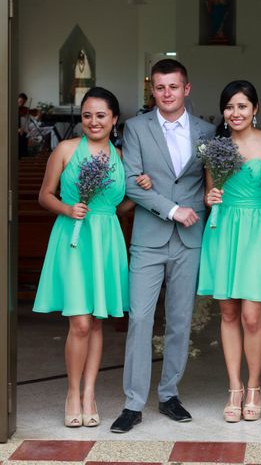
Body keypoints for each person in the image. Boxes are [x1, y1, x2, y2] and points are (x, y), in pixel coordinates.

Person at [33, 87, 149, 428]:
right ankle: (72, 392)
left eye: (101, 115)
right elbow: (44, 195)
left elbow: (123, 204)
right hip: (74, 238)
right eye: (87, 115)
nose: (93, 121)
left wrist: (138, 191)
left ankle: (89, 393)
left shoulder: (122, 156)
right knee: (80, 322)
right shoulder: (67, 150)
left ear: (114, 119)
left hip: (106, 238)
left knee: (97, 320)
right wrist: (69, 209)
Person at [110, 59, 216, 433]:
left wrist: (210, 194)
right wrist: (171, 209)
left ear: (186, 89)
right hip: (150, 237)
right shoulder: (136, 128)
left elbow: (210, 178)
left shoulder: (207, 130)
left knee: (180, 320)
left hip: (190, 239)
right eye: (160, 87)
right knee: (140, 319)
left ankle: (169, 394)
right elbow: (132, 185)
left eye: (173, 87)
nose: (166, 93)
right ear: (152, 90)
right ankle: (133, 403)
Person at [197, 80, 261, 422]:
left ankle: (254, 386)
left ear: (255, 109)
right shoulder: (214, 147)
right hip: (224, 229)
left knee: (252, 315)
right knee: (227, 312)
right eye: (229, 107)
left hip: (257, 228)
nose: (234, 113)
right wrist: (210, 198)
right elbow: (210, 193)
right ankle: (234, 387)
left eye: (241, 106)